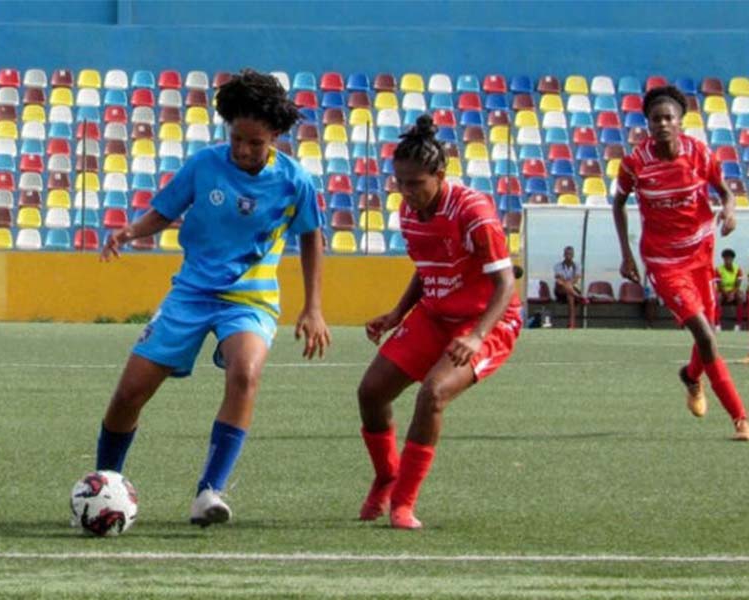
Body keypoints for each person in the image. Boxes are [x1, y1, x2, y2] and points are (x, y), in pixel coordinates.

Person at [95, 69, 331, 526]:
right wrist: (131, 231)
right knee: (129, 392)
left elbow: (311, 238)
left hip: (250, 299)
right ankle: (106, 483)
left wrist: (313, 306)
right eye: (237, 138)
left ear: (276, 136)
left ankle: (210, 492)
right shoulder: (205, 165)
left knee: (245, 373)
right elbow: (164, 211)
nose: (243, 149)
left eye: (255, 142)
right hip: (190, 293)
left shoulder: (295, 181)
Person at [355, 115, 521, 530]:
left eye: (416, 184)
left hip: (486, 320)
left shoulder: (474, 212)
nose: (407, 193)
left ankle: (403, 504)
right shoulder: (409, 213)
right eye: (400, 183)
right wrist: (397, 313)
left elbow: (505, 283)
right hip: (435, 313)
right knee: (371, 393)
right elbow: (429, 267)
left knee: (432, 394)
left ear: (440, 176)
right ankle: (386, 476)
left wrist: (477, 335)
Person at [613, 85, 748, 441]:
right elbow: (618, 204)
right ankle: (740, 417)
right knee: (704, 333)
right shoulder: (635, 164)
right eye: (655, 118)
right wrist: (626, 254)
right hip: (664, 263)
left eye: (668, 117)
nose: (661, 124)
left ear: (680, 122)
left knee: (710, 333)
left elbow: (726, 192)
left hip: (701, 255)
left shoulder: (700, 154)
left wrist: (730, 212)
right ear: (647, 123)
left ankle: (691, 377)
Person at [553, 245, 587, 328]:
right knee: (559, 283)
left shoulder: (577, 266)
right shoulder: (558, 266)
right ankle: (578, 297)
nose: (568, 256)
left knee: (570, 296)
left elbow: (576, 279)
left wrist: (568, 285)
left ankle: (571, 324)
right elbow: (559, 278)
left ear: (573, 255)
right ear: (564, 255)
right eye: (567, 254)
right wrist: (567, 284)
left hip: (571, 290)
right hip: (560, 291)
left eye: (570, 254)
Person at [715, 248, 744, 331]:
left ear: (732, 259)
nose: (727, 260)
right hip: (722, 291)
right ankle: (717, 324)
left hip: (733, 291)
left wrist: (732, 294)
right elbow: (719, 285)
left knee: (740, 297)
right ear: (723, 259)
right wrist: (726, 294)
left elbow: (738, 284)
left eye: (729, 258)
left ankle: (738, 325)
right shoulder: (718, 269)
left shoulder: (738, 269)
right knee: (718, 298)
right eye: (725, 258)